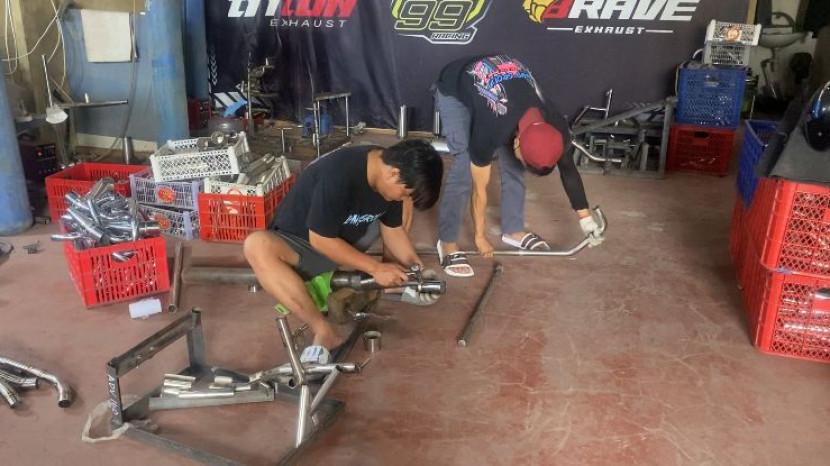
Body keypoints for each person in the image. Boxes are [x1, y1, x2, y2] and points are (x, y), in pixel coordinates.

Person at [244, 140, 443, 362]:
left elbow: (393, 230)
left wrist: (416, 270)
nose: (402, 198)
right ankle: (323, 331)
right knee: (257, 245)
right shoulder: (339, 174)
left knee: (403, 204)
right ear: (393, 173)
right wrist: (375, 268)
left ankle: (389, 283)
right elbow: (321, 240)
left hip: (345, 240)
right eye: (404, 192)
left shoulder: (389, 173)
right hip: (305, 243)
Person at [432, 54, 603, 277]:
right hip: (455, 86)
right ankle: (447, 241)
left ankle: (512, 230)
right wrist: (480, 237)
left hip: (505, 90)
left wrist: (586, 220)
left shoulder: (557, 127)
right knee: (465, 164)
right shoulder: (492, 127)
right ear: (517, 141)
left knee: (514, 165)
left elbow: (569, 170)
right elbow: (479, 190)